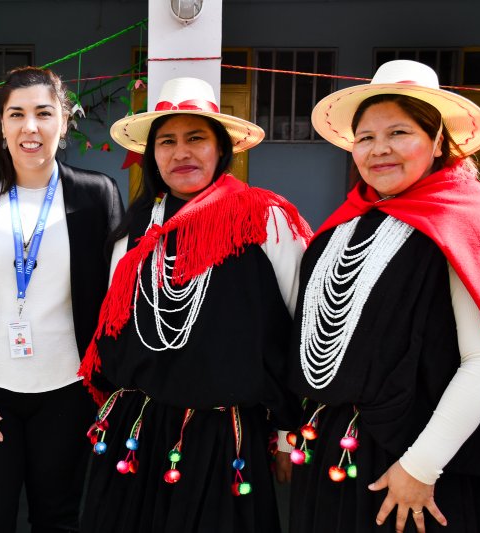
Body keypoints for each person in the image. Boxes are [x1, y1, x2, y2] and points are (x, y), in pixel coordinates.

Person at [78, 77, 312, 533]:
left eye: (196, 138)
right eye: (167, 141)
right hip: (138, 430)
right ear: (152, 155)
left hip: (224, 434)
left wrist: (289, 432)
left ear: (221, 149)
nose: (181, 152)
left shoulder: (264, 218)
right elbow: (114, 333)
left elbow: (299, 328)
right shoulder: (134, 234)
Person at [288, 60, 480, 533]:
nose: (379, 149)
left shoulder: (461, 222)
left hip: (419, 464)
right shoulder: (342, 226)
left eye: (399, 133)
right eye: (365, 137)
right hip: (330, 452)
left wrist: (420, 467)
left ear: (438, 141)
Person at [0, 66, 123, 533]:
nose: (30, 127)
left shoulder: (96, 195)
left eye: (43, 113)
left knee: (58, 520)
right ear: (2, 124)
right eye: (17, 114)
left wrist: (109, 389)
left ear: (64, 121)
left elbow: (117, 299)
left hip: (69, 394)